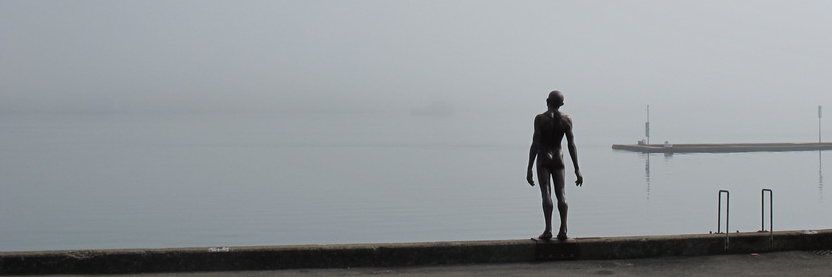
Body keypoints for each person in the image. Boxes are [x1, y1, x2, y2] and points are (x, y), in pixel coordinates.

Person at [526, 90, 583, 240]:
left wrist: (529, 167)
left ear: (547, 101)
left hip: (544, 157)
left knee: (546, 192)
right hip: (559, 157)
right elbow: (571, 144)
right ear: (562, 104)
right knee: (561, 193)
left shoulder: (540, 119)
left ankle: (548, 229)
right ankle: (563, 228)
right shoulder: (567, 120)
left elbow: (536, 143)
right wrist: (577, 169)